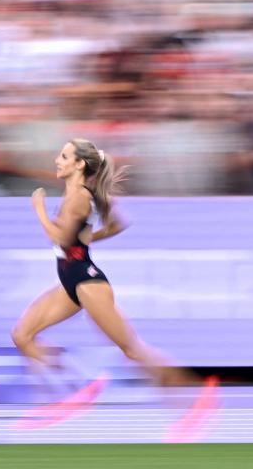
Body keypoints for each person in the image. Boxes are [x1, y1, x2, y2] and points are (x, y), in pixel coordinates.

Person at [11, 139, 217, 431]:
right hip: (70, 281)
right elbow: (118, 224)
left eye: (64, 156)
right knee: (22, 336)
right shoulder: (80, 194)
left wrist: (39, 209)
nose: (57, 160)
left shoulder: (79, 198)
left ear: (79, 164)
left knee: (132, 349)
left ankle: (194, 400)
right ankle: (78, 387)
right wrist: (88, 239)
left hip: (87, 282)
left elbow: (60, 239)